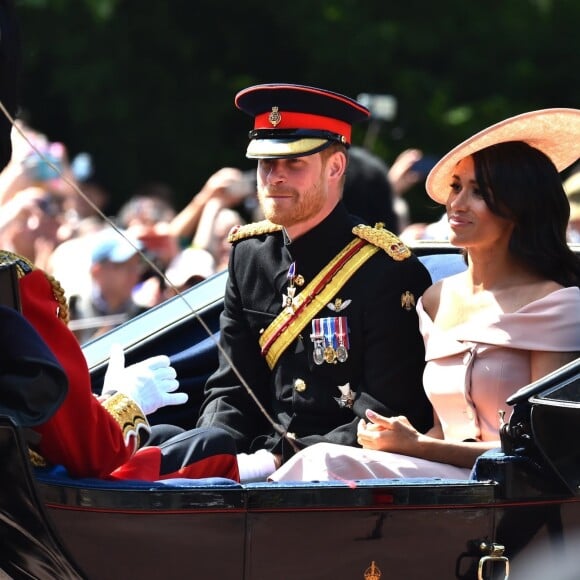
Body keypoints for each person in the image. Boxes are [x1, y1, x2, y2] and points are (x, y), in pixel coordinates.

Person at [269, 107, 580, 483]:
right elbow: (439, 432)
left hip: (515, 495)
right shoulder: (435, 299)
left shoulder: (555, 303)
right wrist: (396, 439)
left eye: (479, 192)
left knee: (324, 464)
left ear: (519, 207)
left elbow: (544, 448)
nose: (457, 204)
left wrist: (417, 445)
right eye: (456, 186)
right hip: (444, 486)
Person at [196, 83, 433, 482]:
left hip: (332, 481)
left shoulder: (388, 268)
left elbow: (386, 413)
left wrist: (274, 463)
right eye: (265, 164)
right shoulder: (249, 253)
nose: (275, 177)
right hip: (251, 468)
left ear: (336, 167)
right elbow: (231, 387)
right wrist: (213, 452)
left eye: (294, 165)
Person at [2, 248, 240, 482]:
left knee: (167, 435)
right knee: (214, 449)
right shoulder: (17, 280)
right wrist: (125, 399)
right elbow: (90, 450)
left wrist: (101, 404)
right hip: (37, 488)